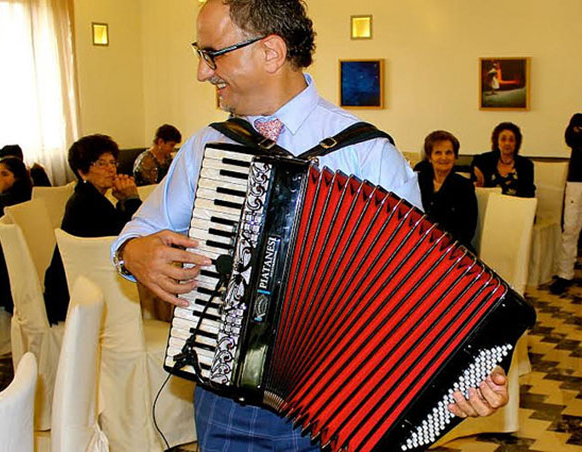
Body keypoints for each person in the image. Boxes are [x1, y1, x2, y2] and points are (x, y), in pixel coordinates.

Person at [111, 0, 509, 449]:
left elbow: (416, 288)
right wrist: (133, 254)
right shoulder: (209, 146)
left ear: (271, 52)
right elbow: (135, 234)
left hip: (343, 402)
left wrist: (465, 372)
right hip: (225, 405)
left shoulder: (366, 152)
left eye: (212, 54)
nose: (204, 72)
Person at [43, 134, 142, 324]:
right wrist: (131, 198)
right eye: (101, 164)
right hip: (77, 297)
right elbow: (130, 238)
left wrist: (124, 200)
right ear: (82, 171)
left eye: (112, 162)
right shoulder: (88, 203)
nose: (111, 169)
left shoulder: (88, 197)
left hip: (76, 288)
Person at [416, 131, 478, 248]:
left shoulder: (464, 186)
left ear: (455, 157)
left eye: (448, 153)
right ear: (430, 157)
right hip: (421, 245)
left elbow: (467, 230)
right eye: (438, 153)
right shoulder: (419, 182)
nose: (444, 157)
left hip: (452, 249)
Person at [0, 157, 33, 313]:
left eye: (4, 174)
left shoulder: (2, 204)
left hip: (4, 265)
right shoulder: (30, 196)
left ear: (17, 177)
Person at [550, 113, 582, 295]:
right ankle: (564, 274)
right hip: (576, 180)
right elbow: (571, 139)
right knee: (570, 227)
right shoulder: (577, 119)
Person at [471, 122, 535, 197]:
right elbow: (474, 183)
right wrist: (478, 184)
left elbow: (529, 193)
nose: (507, 143)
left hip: (516, 206)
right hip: (490, 206)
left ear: (516, 143)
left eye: (511, 140)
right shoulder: (483, 160)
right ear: (497, 142)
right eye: (503, 139)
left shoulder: (526, 165)